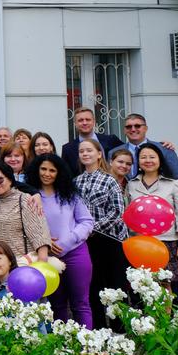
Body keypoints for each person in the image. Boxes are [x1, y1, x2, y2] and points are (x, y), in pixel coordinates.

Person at [27, 154, 94, 328]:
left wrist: (67, 241)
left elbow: (87, 221)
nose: (47, 173)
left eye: (52, 170)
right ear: (36, 169)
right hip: (46, 257)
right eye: (43, 169)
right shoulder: (30, 196)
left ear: (59, 173)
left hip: (76, 253)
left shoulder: (70, 194)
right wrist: (45, 242)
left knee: (81, 304)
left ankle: (87, 347)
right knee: (56, 305)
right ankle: (60, 348)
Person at [74, 139, 130, 329]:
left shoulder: (109, 180)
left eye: (89, 150)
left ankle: (119, 330)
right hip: (86, 242)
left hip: (110, 240)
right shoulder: (76, 181)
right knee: (93, 286)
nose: (85, 154)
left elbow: (117, 212)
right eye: (82, 151)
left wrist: (92, 227)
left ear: (99, 154)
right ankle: (98, 329)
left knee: (115, 287)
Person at [127, 142, 178, 302]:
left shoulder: (173, 184)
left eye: (152, 157)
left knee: (167, 286)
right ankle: (145, 324)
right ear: (138, 161)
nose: (148, 160)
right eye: (143, 157)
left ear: (160, 160)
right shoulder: (131, 185)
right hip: (140, 244)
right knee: (142, 286)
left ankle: (171, 324)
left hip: (167, 243)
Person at [0, 161, 50, 262]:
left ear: (9, 179)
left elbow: (40, 236)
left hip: (24, 268)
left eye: (0, 179)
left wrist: (41, 266)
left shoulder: (25, 199)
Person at [111, 113, 178, 185]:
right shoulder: (113, 152)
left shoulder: (164, 149)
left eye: (137, 126)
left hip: (158, 196)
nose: (133, 129)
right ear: (124, 130)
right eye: (128, 127)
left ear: (145, 129)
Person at [61, 107, 123, 177]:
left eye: (88, 120)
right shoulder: (67, 149)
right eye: (80, 120)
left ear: (94, 121)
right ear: (75, 123)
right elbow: (66, 176)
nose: (84, 123)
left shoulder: (111, 140)